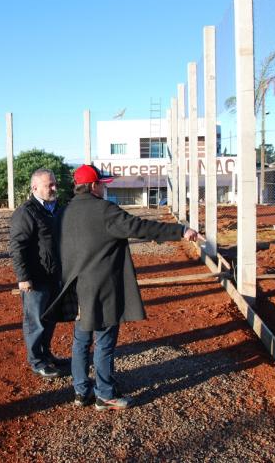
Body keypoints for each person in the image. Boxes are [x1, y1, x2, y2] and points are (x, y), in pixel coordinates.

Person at [44, 164, 199, 410]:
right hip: (103, 289)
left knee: (81, 341)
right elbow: (141, 228)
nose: (105, 187)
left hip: (76, 289)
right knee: (104, 341)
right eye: (102, 184)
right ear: (93, 186)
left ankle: (81, 392)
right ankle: (104, 394)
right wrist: (180, 230)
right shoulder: (104, 210)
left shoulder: (64, 212)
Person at [9, 168, 68, 379]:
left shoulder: (57, 209)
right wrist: (23, 278)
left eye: (54, 184)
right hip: (35, 279)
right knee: (35, 321)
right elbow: (17, 247)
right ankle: (37, 361)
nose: (53, 188)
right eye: (48, 185)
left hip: (55, 276)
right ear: (35, 187)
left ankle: (46, 354)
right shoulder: (26, 212)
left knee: (50, 318)